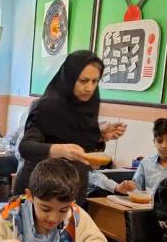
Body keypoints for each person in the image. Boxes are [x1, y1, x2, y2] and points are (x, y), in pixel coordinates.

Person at [13, 50, 126, 205]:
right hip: (39, 191)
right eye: (83, 81)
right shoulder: (47, 106)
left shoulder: (87, 107)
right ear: (69, 78)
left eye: (95, 81)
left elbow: (81, 148)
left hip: (72, 189)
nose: (89, 88)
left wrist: (101, 136)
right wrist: (62, 150)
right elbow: (26, 147)